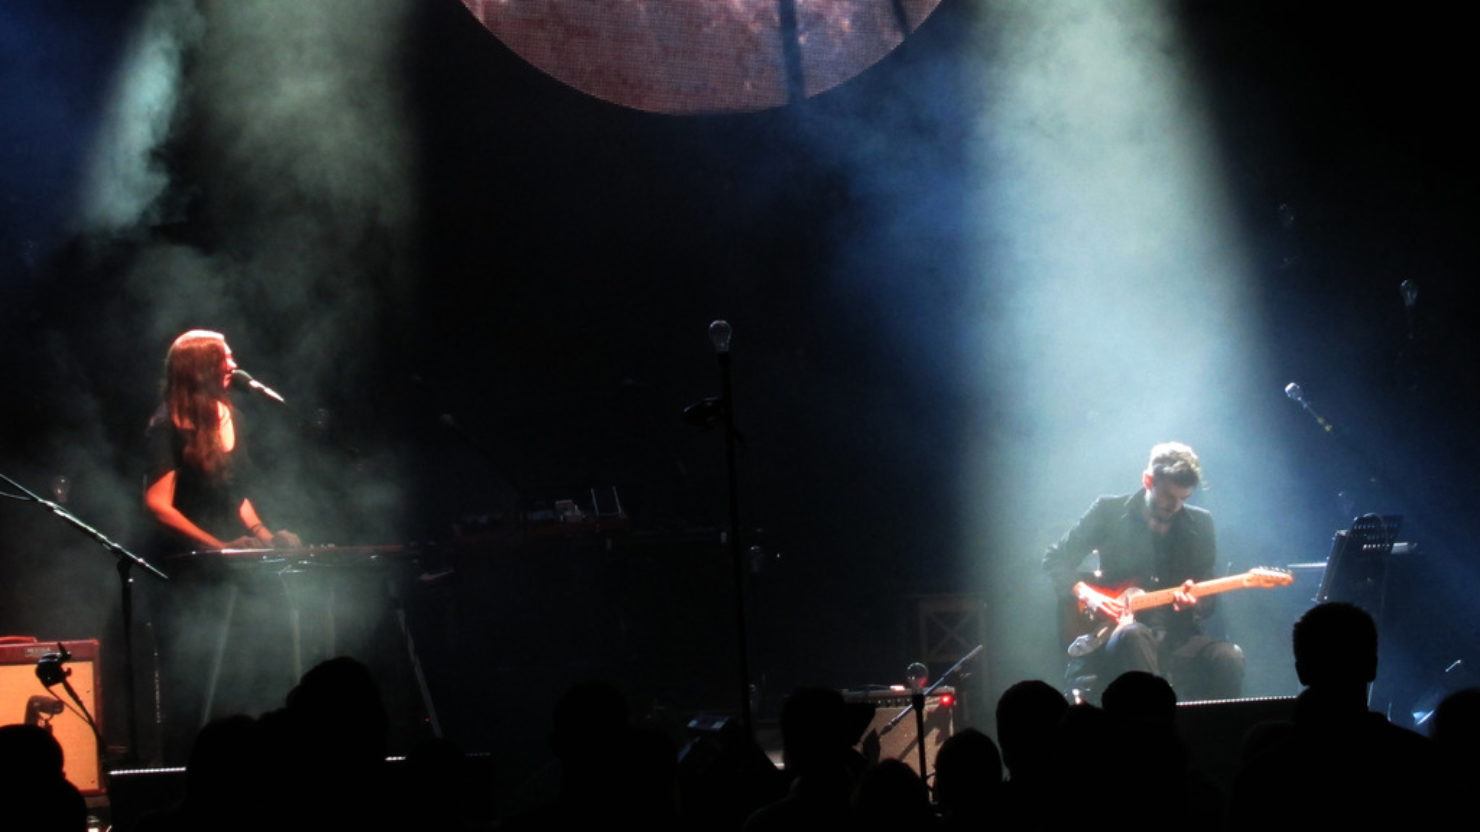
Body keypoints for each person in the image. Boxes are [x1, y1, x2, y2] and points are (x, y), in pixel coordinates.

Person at [1042, 442, 1243, 700]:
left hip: (1179, 637)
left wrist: (1196, 602)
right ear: (1148, 480)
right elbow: (1056, 558)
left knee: (1229, 657)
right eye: (1169, 496)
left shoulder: (1201, 524)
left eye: (1184, 498)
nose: (1176, 506)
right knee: (1134, 635)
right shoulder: (1108, 511)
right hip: (1115, 632)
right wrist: (1088, 595)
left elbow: (1207, 596)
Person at [144, 329, 299, 552]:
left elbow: (235, 495)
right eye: (224, 358)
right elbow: (157, 504)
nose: (233, 365)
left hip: (228, 555)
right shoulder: (167, 424)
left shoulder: (234, 417)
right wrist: (218, 547)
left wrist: (268, 538)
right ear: (200, 369)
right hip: (184, 557)